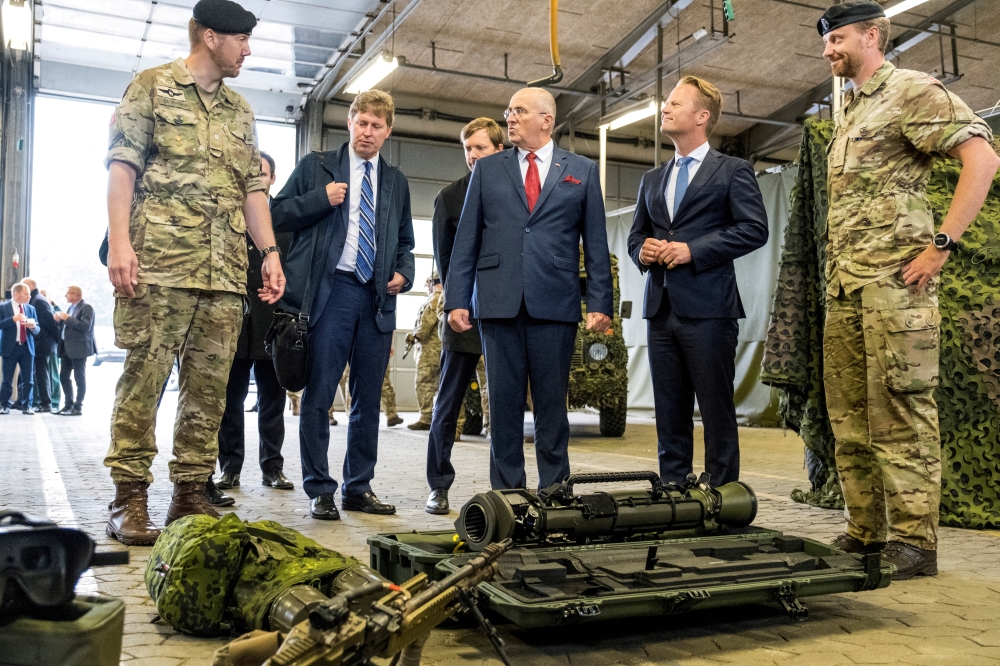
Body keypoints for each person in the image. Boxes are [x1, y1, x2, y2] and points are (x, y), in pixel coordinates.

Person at [816, 1, 999, 578]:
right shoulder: (847, 106)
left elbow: (983, 159)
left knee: (901, 410)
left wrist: (941, 244)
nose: (829, 50)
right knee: (848, 416)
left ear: (873, 35)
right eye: (826, 41)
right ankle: (865, 531)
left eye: (839, 38)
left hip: (897, 285)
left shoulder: (914, 90)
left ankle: (915, 541)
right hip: (846, 287)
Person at [103, 0, 286, 546]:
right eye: (241, 41)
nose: (247, 51)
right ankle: (129, 495)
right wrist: (119, 242)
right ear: (210, 37)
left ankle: (190, 493)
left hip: (224, 271)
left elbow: (253, 190)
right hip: (158, 261)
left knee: (208, 390)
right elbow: (122, 167)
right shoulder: (151, 87)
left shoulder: (241, 111)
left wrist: (270, 252)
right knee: (145, 378)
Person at [446, 88, 613, 491]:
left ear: (547, 120)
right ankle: (508, 498)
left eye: (519, 111)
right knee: (503, 407)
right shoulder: (487, 170)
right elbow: (466, 239)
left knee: (552, 408)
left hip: (555, 303)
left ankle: (554, 494)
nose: (510, 118)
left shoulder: (582, 170)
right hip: (497, 303)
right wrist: (457, 299)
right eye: (508, 111)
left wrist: (600, 302)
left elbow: (596, 241)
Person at [272, 89, 415, 520]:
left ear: (387, 131)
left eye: (376, 126)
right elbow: (276, 214)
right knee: (318, 396)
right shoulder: (317, 167)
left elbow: (406, 241)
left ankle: (358, 487)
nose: (367, 132)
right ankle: (319, 489)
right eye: (361, 122)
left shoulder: (396, 181)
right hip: (329, 294)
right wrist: (322, 199)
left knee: (367, 399)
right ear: (349, 122)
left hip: (376, 299)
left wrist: (405, 274)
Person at [627, 76, 768, 488]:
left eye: (674, 102)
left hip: (710, 310)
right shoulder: (652, 179)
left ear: (702, 116)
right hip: (660, 310)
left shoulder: (733, 171)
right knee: (669, 412)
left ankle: (725, 497)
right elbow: (636, 235)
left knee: (716, 411)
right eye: (664, 102)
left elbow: (753, 229)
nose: (664, 108)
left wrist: (694, 250)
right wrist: (642, 251)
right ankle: (674, 493)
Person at [425, 117, 502, 513]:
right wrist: (456, 304)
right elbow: (445, 259)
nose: (473, 156)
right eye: (468, 148)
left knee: (503, 403)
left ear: (499, 150)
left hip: (505, 311)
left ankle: (504, 488)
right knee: (448, 401)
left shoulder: (511, 195)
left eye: (481, 148)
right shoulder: (449, 198)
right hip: (463, 312)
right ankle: (438, 484)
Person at [215, 152, 294, 497]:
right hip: (230, 323)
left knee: (272, 402)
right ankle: (230, 469)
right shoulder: (226, 215)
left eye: (261, 174)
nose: (256, 179)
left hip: (271, 323)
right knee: (230, 401)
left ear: (272, 179)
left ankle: (272, 468)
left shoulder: (286, 218)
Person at [53, 286, 97, 416]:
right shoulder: (71, 308)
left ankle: (78, 406)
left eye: (68, 293)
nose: (65, 296)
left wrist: (66, 318)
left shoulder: (86, 307)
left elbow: (85, 326)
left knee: (79, 377)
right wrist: (59, 321)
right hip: (66, 348)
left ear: (76, 295)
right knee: (64, 376)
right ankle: (68, 404)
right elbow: (67, 326)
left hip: (79, 348)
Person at [407, 274, 443, 430]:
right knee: (442, 386)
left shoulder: (435, 298)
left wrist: (413, 336)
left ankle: (426, 417)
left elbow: (425, 327)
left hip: (430, 350)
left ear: (432, 283)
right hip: (442, 350)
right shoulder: (449, 295)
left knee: (424, 384)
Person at [21, 278, 59, 414]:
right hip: (39, 343)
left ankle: (46, 403)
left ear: (30, 286)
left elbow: (49, 323)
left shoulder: (39, 301)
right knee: (38, 374)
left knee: (42, 374)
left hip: (42, 344)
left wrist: (56, 340)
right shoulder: (37, 299)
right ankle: (35, 401)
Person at [0, 283, 39, 415]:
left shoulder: (30, 308)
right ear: (16, 294)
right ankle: (4, 405)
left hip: (27, 348)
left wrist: (33, 327)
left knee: (28, 379)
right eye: (26, 293)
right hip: (10, 347)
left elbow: (38, 330)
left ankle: (27, 406)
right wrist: (12, 319)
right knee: (7, 379)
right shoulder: (3, 307)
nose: (29, 296)